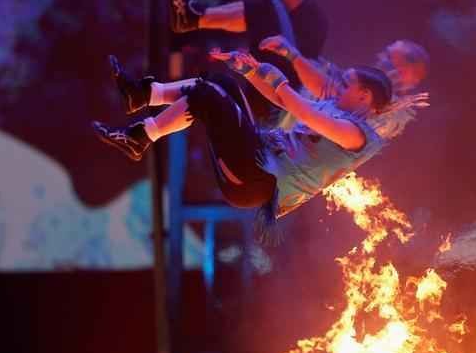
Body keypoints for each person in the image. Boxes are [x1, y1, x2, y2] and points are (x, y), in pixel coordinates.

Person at [166, 0, 431, 137]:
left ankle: (193, 17)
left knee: (270, 11)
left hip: (278, 112)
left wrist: (292, 55)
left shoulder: (379, 108)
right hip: (287, 93)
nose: (380, 58)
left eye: (388, 59)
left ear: (405, 72)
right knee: (314, 24)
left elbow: (323, 92)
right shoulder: (366, 89)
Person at [92, 52, 393, 230]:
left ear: (364, 97)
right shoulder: (336, 109)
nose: (337, 87)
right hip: (256, 156)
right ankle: (142, 98)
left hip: (255, 183)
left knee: (209, 96)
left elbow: (305, 113)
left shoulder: (358, 136)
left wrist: (279, 79)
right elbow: (285, 101)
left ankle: (140, 135)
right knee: (221, 84)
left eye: (346, 85)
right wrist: (251, 71)